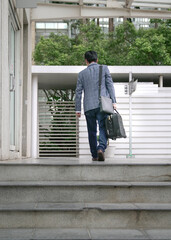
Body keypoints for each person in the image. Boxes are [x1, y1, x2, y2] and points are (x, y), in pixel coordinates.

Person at [75, 51, 116, 161]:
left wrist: (77, 109)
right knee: (103, 127)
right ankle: (101, 149)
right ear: (97, 60)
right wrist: (114, 102)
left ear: (86, 61)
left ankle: (94, 155)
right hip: (102, 104)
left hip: (88, 107)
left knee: (91, 131)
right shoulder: (104, 69)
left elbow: (78, 92)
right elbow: (110, 85)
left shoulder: (82, 74)